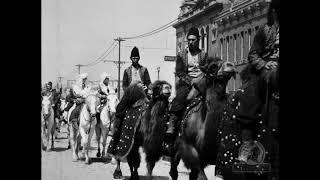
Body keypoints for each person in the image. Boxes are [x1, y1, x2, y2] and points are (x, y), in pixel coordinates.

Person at [107, 46, 151, 155]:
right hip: (130, 95)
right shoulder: (127, 70)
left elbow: (148, 82)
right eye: (133, 58)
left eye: (137, 57)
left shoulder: (144, 69)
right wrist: (131, 90)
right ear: (131, 58)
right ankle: (116, 131)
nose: (135, 59)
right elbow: (124, 85)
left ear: (139, 58)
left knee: (154, 108)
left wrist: (147, 87)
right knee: (120, 110)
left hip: (142, 94)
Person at [166, 27, 209, 136]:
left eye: (193, 40)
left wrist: (200, 79)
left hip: (201, 82)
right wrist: (191, 81)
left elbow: (206, 69)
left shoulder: (204, 55)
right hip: (186, 83)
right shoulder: (181, 55)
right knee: (180, 98)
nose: (190, 42)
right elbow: (179, 72)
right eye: (189, 40)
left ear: (198, 40)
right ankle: (172, 123)